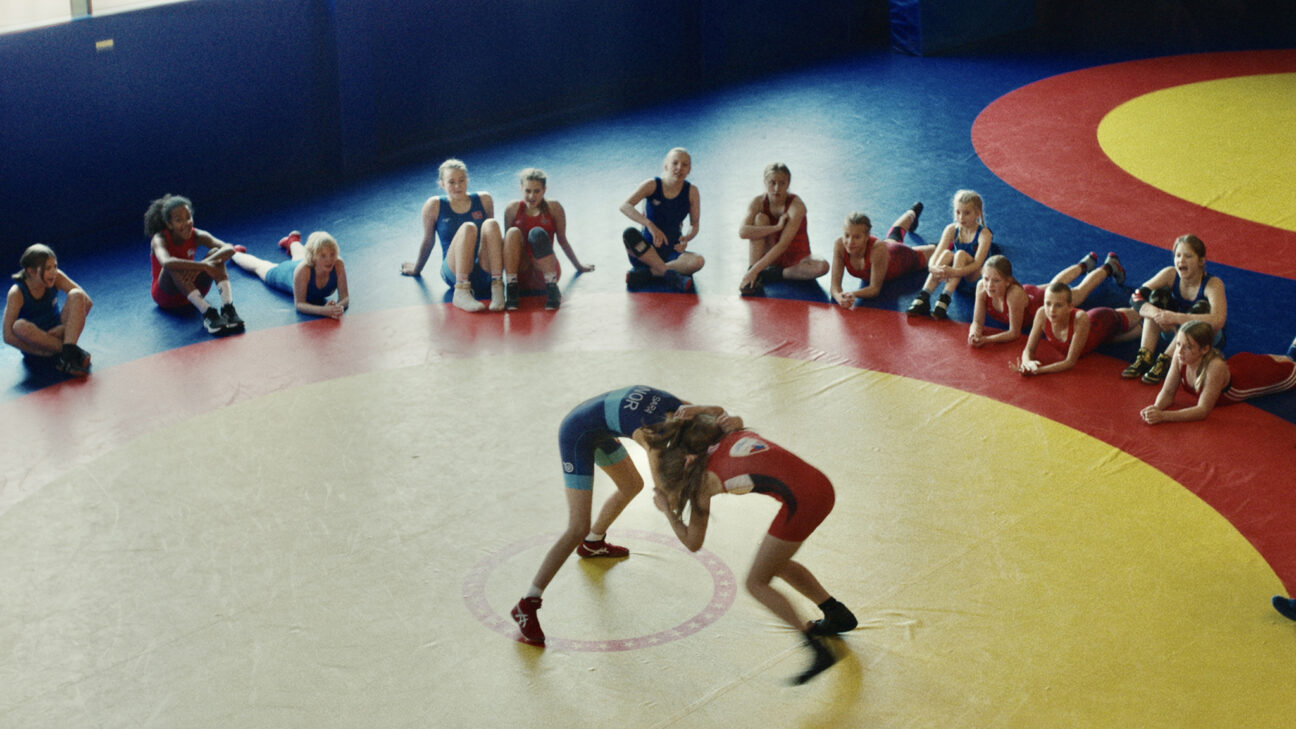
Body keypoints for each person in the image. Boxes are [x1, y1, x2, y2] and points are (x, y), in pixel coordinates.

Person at [638, 413, 857, 685]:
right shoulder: (728, 433)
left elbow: (693, 542)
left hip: (805, 502)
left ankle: (817, 650)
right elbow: (719, 414)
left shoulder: (702, 484)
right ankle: (836, 613)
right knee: (772, 561)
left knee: (755, 583)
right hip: (819, 484)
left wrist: (667, 512)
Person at [510, 386, 737, 647]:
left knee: (631, 485)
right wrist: (696, 488)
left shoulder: (685, 411)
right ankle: (527, 604)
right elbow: (664, 497)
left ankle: (593, 543)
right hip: (577, 434)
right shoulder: (653, 439)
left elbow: (719, 414)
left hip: (597, 426)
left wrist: (710, 418)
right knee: (577, 527)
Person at [401, 158, 506, 312]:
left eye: (461, 180)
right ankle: (461, 291)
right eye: (451, 182)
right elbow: (428, 240)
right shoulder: (434, 205)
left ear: (467, 180)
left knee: (491, 224)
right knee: (468, 228)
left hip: (483, 271)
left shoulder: (484, 199)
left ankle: (497, 286)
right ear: (442, 184)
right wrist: (417, 269)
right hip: (454, 273)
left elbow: (492, 240)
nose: (457, 186)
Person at [1140, 321, 1296, 424]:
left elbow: (1202, 410)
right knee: (1288, 358)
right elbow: (1168, 392)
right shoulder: (1180, 356)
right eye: (1178, 344)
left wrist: (1164, 416)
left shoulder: (1215, 367)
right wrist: (1156, 408)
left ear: (1205, 349)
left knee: (1291, 366)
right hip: (1242, 364)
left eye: (1188, 347)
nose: (1179, 351)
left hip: (1256, 376)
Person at [1122, 234, 1227, 384]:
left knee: (1201, 308)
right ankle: (1144, 356)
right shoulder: (1170, 274)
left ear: (1201, 261)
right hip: (1173, 331)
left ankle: (1166, 361)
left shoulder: (1213, 284)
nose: (1181, 261)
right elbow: (1136, 296)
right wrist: (1159, 314)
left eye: (1188, 256)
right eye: (1178, 255)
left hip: (1204, 338)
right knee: (1156, 298)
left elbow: (1218, 320)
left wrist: (1175, 317)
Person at [968, 251, 1126, 347]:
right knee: (1055, 283)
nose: (989, 285)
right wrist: (974, 333)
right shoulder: (982, 287)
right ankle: (1084, 265)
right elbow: (977, 321)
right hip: (1028, 293)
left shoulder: (1013, 295)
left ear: (1007, 281)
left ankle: (1110, 266)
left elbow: (1014, 333)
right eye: (986, 279)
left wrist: (986, 339)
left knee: (1078, 293)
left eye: (996, 281)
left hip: (1037, 300)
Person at [146, 194, 246, 335]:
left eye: (188, 217)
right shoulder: (159, 238)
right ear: (169, 224)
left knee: (215, 253)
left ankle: (228, 308)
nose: (186, 223)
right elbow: (167, 263)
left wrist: (203, 264)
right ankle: (208, 313)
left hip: (192, 289)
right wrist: (203, 266)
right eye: (179, 220)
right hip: (166, 296)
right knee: (173, 266)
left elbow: (229, 248)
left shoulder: (197, 234)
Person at [502, 168, 594, 311]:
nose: (531, 196)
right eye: (528, 191)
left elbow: (562, 240)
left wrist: (579, 266)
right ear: (521, 188)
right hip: (522, 274)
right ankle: (511, 288)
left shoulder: (554, 207)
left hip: (545, 272)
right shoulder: (512, 208)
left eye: (536, 191)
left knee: (536, 233)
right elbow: (507, 246)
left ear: (544, 190)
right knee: (512, 233)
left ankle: (552, 289)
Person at [619, 148, 704, 292]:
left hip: (672, 251)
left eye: (684, 165)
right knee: (629, 233)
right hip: (645, 251)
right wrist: (649, 224)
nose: (679, 168)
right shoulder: (652, 185)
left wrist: (687, 237)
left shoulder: (692, 191)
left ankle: (648, 274)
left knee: (698, 261)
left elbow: (694, 224)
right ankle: (669, 274)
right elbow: (625, 206)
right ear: (666, 166)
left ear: (689, 170)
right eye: (675, 163)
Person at [737, 163, 830, 295]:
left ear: (788, 184)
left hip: (795, 259)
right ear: (765, 183)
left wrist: (754, 271)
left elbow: (783, 245)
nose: (777, 188)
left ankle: (769, 274)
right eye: (772, 183)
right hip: (769, 255)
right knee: (760, 219)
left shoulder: (796, 206)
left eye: (782, 183)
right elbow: (743, 232)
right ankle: (756, 274)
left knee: (822, 266)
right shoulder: (757, 202)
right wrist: (776, 228)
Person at [1013, 282, 1139, 376]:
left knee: (1139, 312)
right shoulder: (1042, 313)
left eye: (1058, 305)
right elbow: (1029, 349)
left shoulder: (1080, 318)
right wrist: (1027, 364)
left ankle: (1144, 297)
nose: (1051, 310)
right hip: (1097, 341)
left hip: (1103, 321)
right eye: (1048, 303)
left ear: (1070, 307)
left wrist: (1038, 370)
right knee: (1134, 333)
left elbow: (1070, 362)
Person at [3, 244, 92, 376]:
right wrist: (39, 351)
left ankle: (67, 355)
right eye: (48, 268)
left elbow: (87, 302)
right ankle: (70, 351)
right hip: (36, 342)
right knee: (18, 326)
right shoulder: (17, 293)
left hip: (58, 331)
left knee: (77, 295)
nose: (54, 272)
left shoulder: (56, 277)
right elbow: (8, 336)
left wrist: (64, 329)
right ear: (31, 271)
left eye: (55, 266)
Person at [906, 189, 994, 320]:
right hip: (956, 279)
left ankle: (945, 298)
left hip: (975, 280)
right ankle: (924, 296)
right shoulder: (951, 229)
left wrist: (953, 272)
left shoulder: (984, 234)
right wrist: (933, 268)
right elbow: (936, 254)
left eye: (967, 213)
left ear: (977, 213)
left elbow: (977, 264)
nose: (961, 217)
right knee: (947, 254)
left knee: (960, 254)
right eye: (958, 212)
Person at [828, 205, 932, 307]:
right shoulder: (840, 245)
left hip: (900, 257)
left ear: (866, 237)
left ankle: (941, 239)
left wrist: (851, 294)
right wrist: (839, 297)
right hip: (887, 248)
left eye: (857, 237)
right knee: (894, 236)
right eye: (846, 235)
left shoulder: (877, 251)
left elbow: (874, 289)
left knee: (937, 252)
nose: (850, 242)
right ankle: (912, 211)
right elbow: (834, 287)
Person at [230, 231, 349, 319]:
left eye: (332, 254)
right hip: (287, 273)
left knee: (300, 257)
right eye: (323, 256)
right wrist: (324, 311)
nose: (329, 260)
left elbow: (345, 298)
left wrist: (336, 308)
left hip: (306, 263)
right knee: (260, 266)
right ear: (313, 257)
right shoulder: (303, 270)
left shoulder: (338, 263)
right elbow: (300, 304)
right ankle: (233, 253)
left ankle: (292, 241)